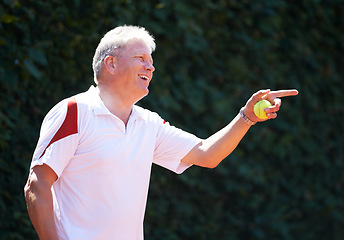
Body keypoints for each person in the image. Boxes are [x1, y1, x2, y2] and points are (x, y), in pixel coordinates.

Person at [24, 25, 298, 240]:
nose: (151, 67)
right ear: (111, 64)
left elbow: (207, 155)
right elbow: (37, 183)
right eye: (141, 58)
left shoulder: (148, 123)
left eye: (151, 61)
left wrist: (245, 118)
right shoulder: (74, 111)